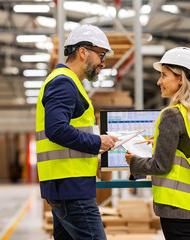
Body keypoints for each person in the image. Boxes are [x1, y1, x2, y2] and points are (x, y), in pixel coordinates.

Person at [125, 47, 190, 240]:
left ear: (181, 78)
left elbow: (160, 165)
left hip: (177, 206)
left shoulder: (172, 114)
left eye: (164, 75)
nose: (159, 82)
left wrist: (133, 161)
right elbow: (188, 152)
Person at [36, 24, 119, 240]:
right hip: (71, 186)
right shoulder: (63, 83)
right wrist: (96, 142)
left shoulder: (70, 83)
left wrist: (95, 154)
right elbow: (56, 129)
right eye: (101, 54)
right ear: (83, 52)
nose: (102, 62)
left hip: (66, 184)